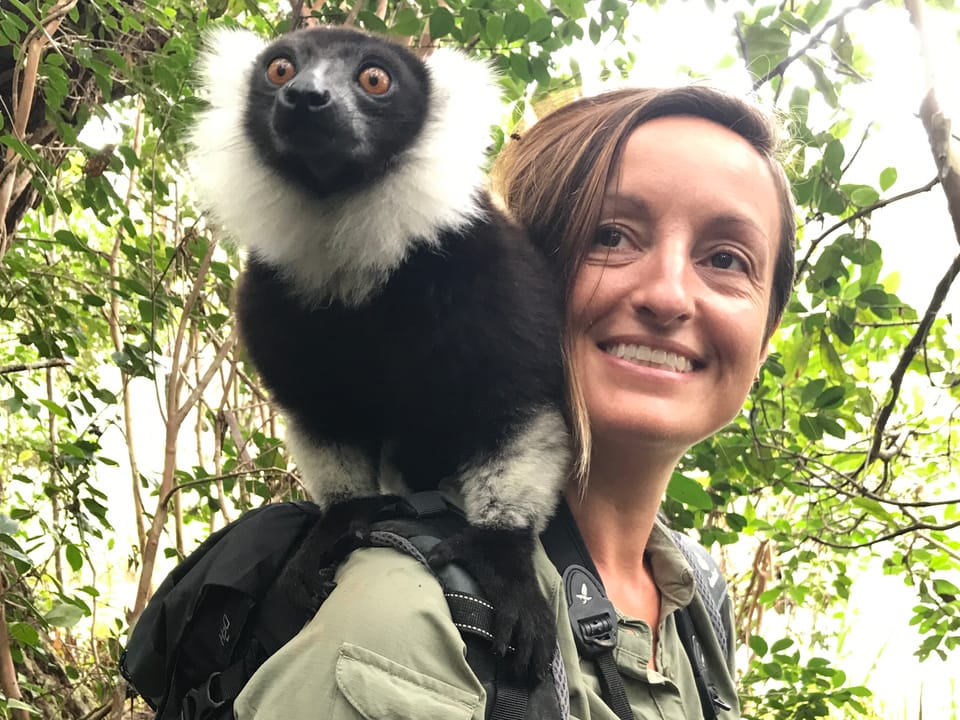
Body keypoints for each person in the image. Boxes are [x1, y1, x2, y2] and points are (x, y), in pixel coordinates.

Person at [232, 84, 796, 720]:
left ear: (767, 333)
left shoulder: (692, 599)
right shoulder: (401, 630)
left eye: (726, 258)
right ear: (523, 273)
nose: (668, 296)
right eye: (611, 236)